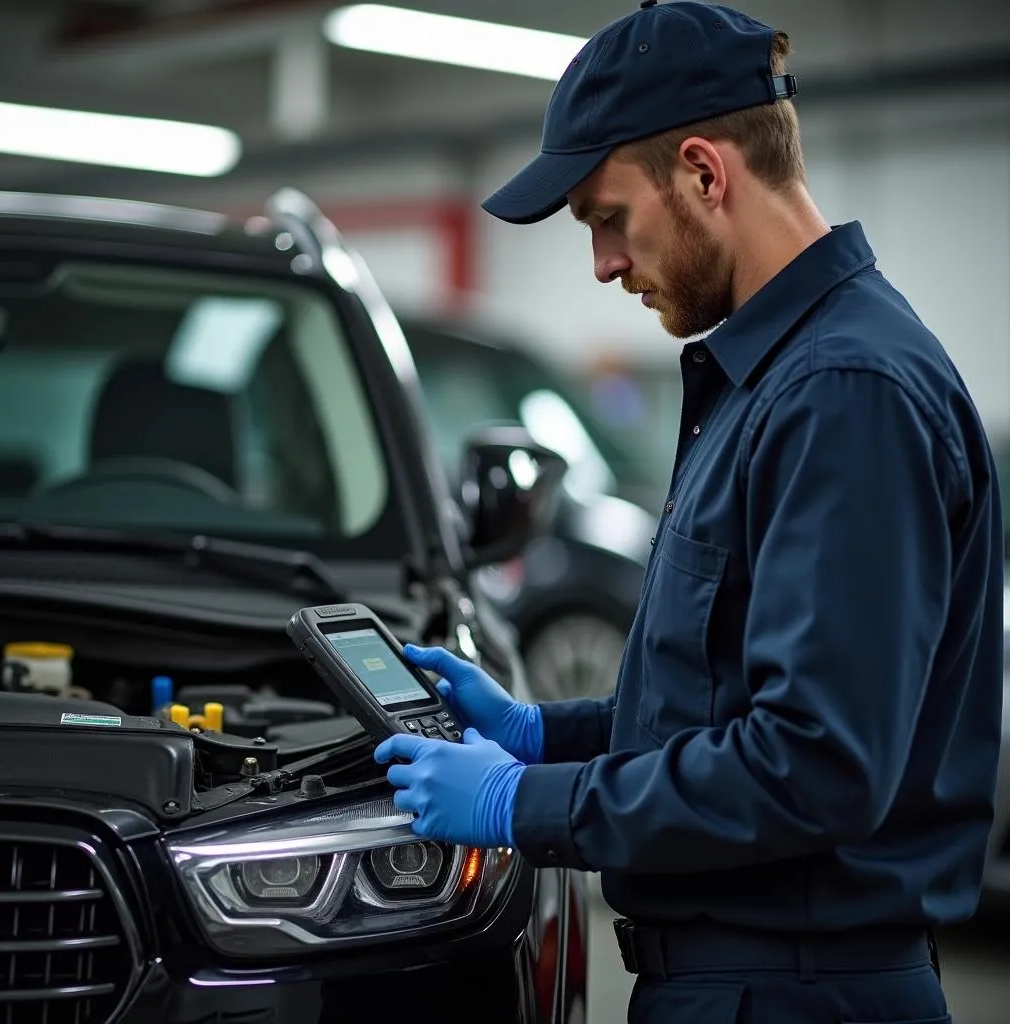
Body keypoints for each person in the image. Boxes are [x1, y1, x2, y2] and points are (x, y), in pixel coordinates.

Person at [374, 2, 1006, 1021]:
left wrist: (519, 803)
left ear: (706, 175)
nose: (602, 263)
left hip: (796, 993)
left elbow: (812, 763)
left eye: (604, 216)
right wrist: (548, 734)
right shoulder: (769, 381)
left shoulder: (842, 392)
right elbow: (728, 706)